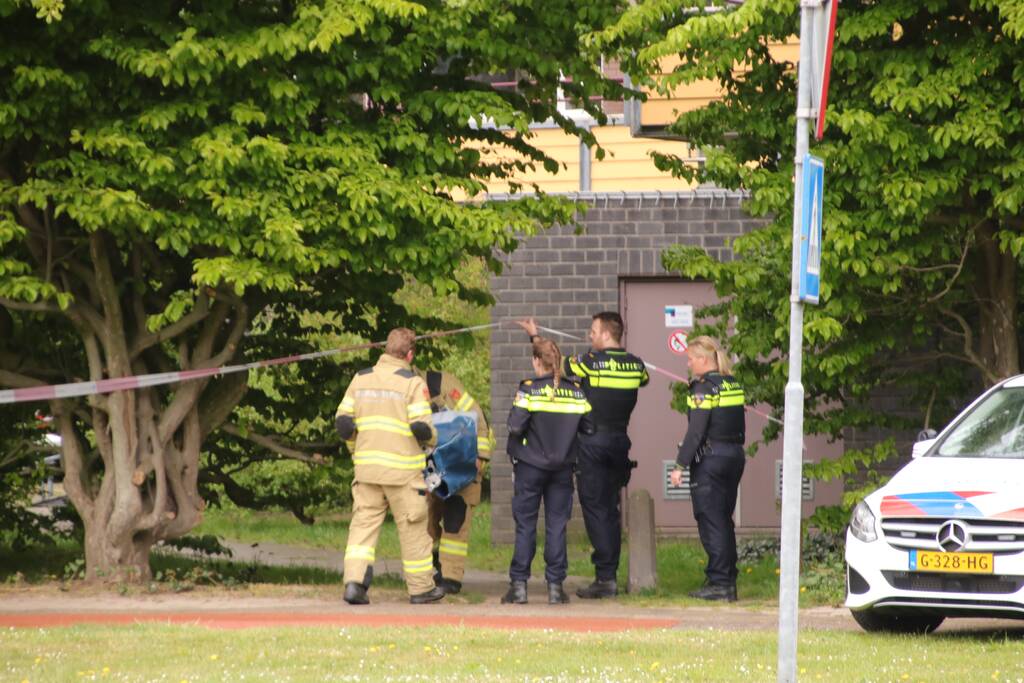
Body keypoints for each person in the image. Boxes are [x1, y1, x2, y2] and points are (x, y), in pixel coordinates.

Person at [517, 313, 648, 599]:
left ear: (605, 334)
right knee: (611, 509)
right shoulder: (637, 365)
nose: (589, 336)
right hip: (620, 442)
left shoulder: (588, 362)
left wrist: (534, 336)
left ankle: (605, 578)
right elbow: (644, 379)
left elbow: (553, 363)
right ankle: (608, 572)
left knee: (596, 509)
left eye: (593, 331)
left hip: (593, 441)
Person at [334, 328, 445, 605]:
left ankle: (354, 585)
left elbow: (343, 423)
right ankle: (421, 589)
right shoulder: (412, 383)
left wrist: (356, 449)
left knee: (362, 527)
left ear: (385, 349)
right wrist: (434, 439)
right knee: (414, 528)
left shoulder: (360, 379)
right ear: (410, 354)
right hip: (403, 473)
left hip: (367, 470)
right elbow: (422, 428)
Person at [502, 337, 594, 605]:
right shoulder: (577, 391)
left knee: (526, 525)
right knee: (557, 526)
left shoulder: (529, 390)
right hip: (563, 469)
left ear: (535, 361)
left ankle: (519, 587)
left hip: (530, 467)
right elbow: (589, 428)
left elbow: (515, 426)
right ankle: (555, 587)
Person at [671, 335, 746, 602]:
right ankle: (727, 578)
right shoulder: (732, 384)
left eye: (691, 359)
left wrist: (680, 464)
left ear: (703, 359)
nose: (689, 365)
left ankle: (719, 583)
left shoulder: (702, 389)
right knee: (723, 520)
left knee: (710, 520)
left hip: (711, 460)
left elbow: (696, 432)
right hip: (734, 456)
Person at [415, 367, 495, 594]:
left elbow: (477, 418)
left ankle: (451, 577)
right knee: (424, 520)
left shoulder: (443, 385)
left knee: (455, 520)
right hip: (429, 466)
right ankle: (431, 568)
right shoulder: (402, 389)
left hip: (462, 463)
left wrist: (479, 457)